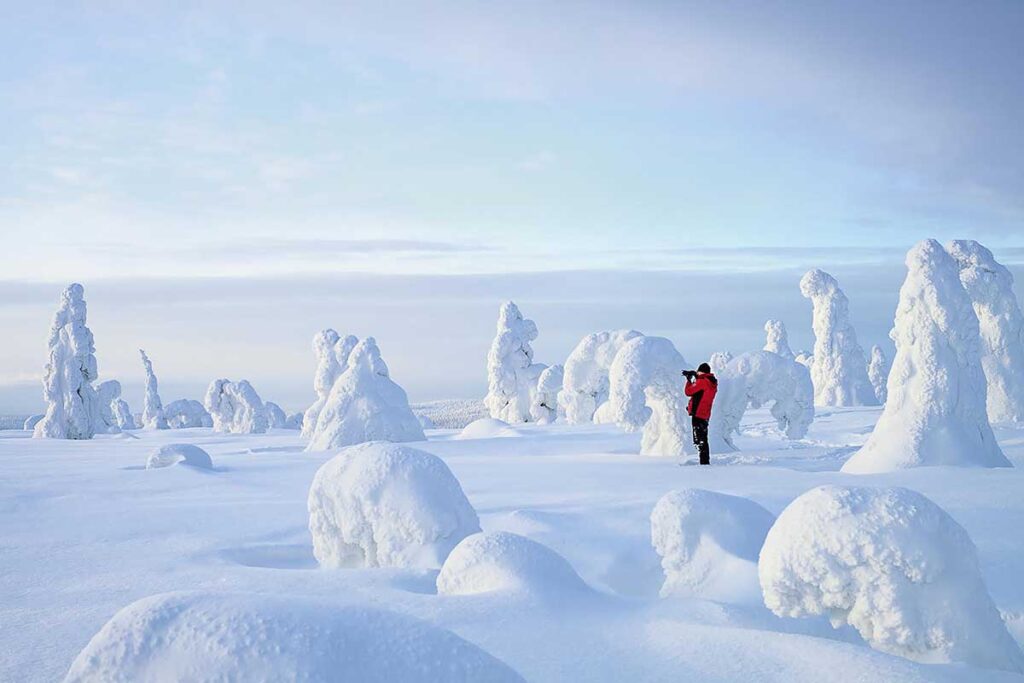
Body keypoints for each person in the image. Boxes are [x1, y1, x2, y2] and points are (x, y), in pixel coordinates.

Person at [683, 362, 718, 465]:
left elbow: (688, 392)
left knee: (699, 440)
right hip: (705, 414)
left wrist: (689, 380)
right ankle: (704, 461)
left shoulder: (703, 382)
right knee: (702, 438)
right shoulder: (712, 382)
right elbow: (700, 394)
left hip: (698, 414)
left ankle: (704, 464)